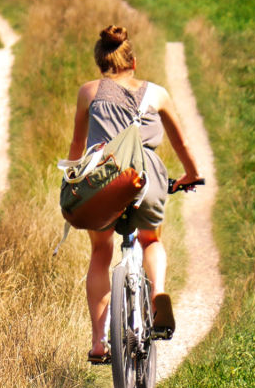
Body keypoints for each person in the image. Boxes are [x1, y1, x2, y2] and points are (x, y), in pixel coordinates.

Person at [66, 25, 202, 363]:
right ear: (134, 61)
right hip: (147, 178)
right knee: (150, 240)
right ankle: (157, 295)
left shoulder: (88, 92)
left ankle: (99, 342)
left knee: (101, 251)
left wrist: (72, 180)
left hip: (103, 179)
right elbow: (181, 142)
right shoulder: (156, 94)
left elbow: (76, 146)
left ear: (101, 64)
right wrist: (192, 174)